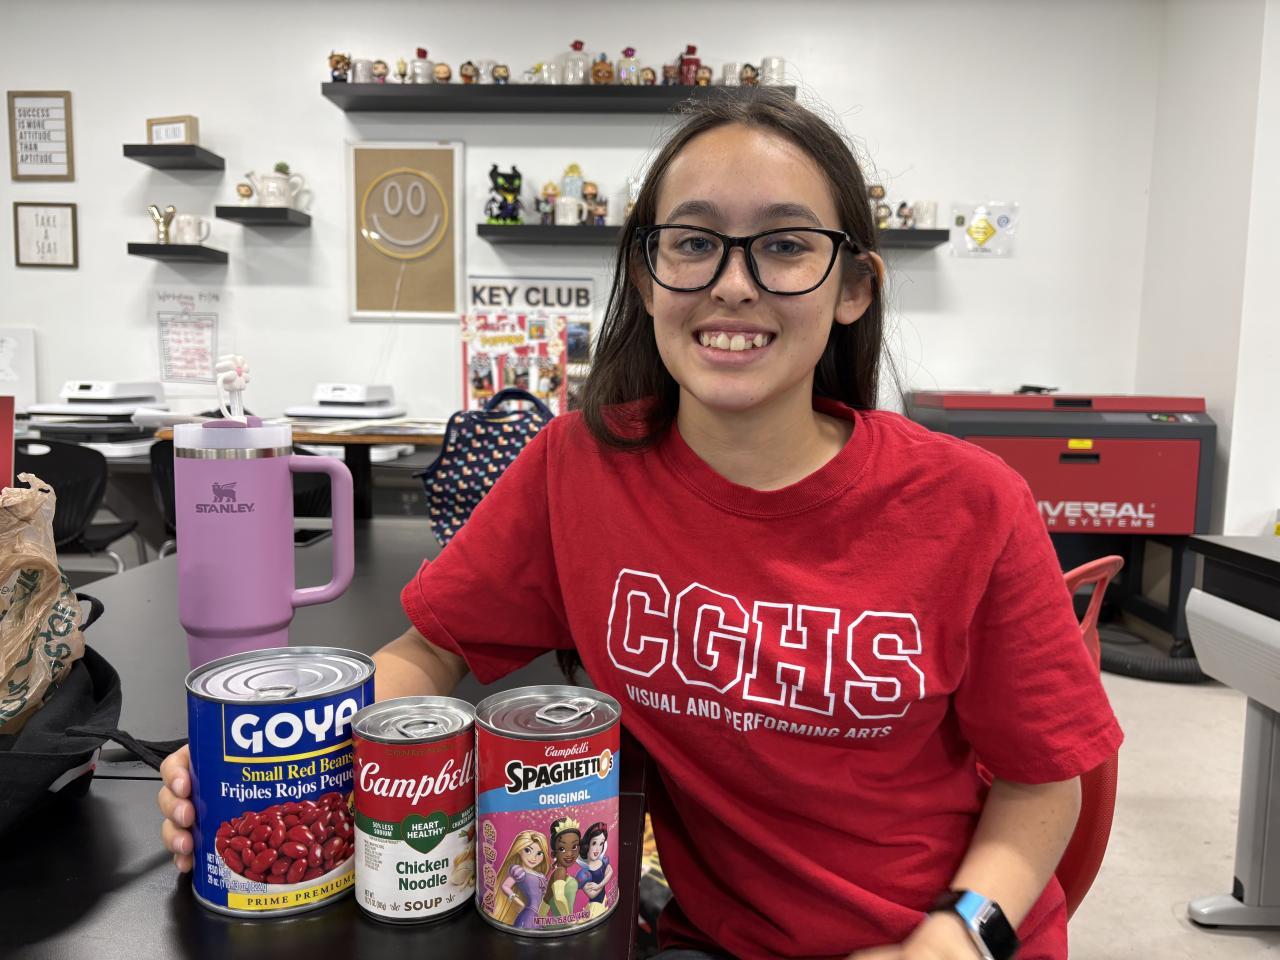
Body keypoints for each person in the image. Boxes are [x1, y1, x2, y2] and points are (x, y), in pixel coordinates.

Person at [158, 88, 1122, 960]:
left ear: (853, 287)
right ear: (648, 273)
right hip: (718, 938)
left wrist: (952, 941)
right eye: (694, 242)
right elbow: (431, 649)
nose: (733, 283)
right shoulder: (577, 470)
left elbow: (1045, 783)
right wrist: (273, 761)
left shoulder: (970, 503)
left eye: (786, 245)